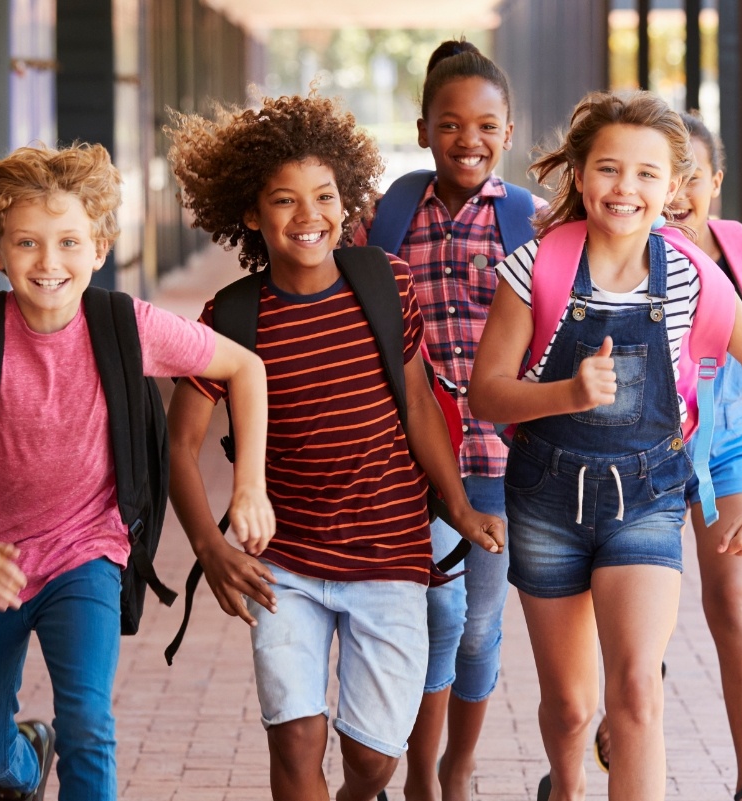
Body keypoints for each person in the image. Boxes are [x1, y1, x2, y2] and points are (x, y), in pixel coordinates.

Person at [0, 143, 273, 801]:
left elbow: (245, 368)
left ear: (99, 248)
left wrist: (249, 484)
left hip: (85, 553)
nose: (49, 262)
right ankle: (24, 757)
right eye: (27, 243)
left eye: (69, 241)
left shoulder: (127, 327)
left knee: (89, 722)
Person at [164, 92, 505, 801]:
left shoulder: (387, 285)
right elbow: (180, 442)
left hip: (389, 554)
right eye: (284, 201)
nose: (308, 215)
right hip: (281, 563)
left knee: (372, 760)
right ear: (252, 214)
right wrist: (210, 544)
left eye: (323, 196)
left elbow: (417, 404)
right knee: (295, 743)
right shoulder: (229, 317)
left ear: (346, 200)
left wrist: (461, 506)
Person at [469, 90, 742, 801]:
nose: (627, 189)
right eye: (610, 170)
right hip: (546, 498)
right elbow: (488, 393)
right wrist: (565, 393)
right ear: (582, 175)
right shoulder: (535, 267)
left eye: (648, 174)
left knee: (636, 695)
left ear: (675, 187)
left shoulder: (689, 274)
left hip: (648, 495)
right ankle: (565, 784)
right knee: (569, 706)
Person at [353, 39, 545, 801]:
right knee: (439, 612)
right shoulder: (392, 215)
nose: (470, 138)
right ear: (424, 127)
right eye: (451, 123)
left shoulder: (529, 218)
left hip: (503, 458)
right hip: (416, 456)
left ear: (508, 128)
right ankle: (424, 779)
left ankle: (460, 766)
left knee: (479, 627)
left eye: (487, 124)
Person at [591, 111, 742, 801]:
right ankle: (628, 710)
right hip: (637, 447)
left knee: (734, 599)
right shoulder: (615, 250)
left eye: (690, 178)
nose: (675, 195)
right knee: (640, 617)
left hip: (729, 442)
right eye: (661, 177)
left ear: (714, 179)